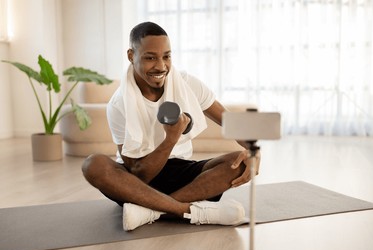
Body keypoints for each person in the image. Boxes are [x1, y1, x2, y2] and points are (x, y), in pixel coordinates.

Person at [82, 22, 260, 231]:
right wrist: (170, 139)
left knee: (238, 163)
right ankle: (188, 211)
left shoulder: (187, 83)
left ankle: (150, 212)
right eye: (150, 57)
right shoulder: (118, 104)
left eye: (166, 56)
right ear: (131, 55)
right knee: (93, 165)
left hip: (182, 172)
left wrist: (253, 150)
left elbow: (228, 121)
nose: (161, 66)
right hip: (137, 184)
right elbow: (140, 176)